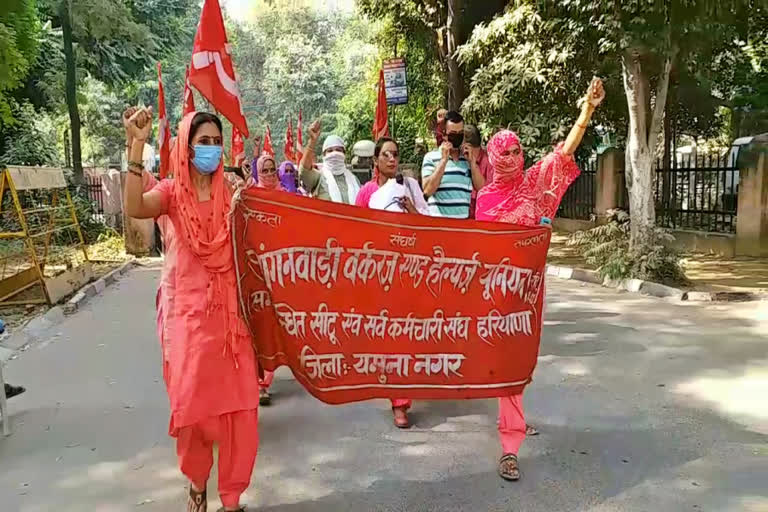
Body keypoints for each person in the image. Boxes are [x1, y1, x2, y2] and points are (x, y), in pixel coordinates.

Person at [123, 107, 260, 512]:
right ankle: (198, 481)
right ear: (186, 147)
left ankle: (231, 497)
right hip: (186, 320)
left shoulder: (234, 196)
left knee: (240, 410)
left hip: (231, 320)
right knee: (193, 412)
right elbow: (133, 206)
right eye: (204, 142)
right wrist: (137, 144)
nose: (212, 150)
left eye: (218, 143)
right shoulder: (170, 193)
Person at [476, 78, 605, 482]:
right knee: (506, 363)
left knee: (524, 359)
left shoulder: (535, 183)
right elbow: (481, 251)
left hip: (531, 291)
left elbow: (564, 154)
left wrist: (586, 112)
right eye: (505, 152)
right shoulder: (485, 200)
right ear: (493, 158)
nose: (513, 157)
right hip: (499, 294)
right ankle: (510, 444)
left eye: (517, 150)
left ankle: (514, 415)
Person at [355, 137, 429, 428]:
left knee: (409, 336)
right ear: (375, 160)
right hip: (380, 274)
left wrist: (411, 210)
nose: (391, 159)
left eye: (395, 154)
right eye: (385, 155)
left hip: (409, 270)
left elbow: (427, 226)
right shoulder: (366, 194)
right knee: (391, 339)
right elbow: (356, 232)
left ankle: (405, 391)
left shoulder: (409, 188)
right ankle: (399, 402)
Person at [421, 111, 486, 219]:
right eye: (453, 134)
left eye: (460, 134)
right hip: (438, 224)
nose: (457, 137)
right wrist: (443, 161)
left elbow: (482, 189)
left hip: (462, 226)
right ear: (444, 134)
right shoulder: (431, 158)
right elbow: (427, 191)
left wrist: (472, 163)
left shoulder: (467, 159)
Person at [298, 120, 361, 204]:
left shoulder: (354, 180)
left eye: (338, 150)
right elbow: (304, 170)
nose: (334, 153)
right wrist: (312, 142)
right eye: (330, 151)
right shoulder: (319, 177)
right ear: (324, 155)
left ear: (344, 154)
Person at [463, 124, 494, 219]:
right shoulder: (459, 159)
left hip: (480, 218)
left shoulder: (488, 161)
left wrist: (473, 163)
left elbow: (484, 193)